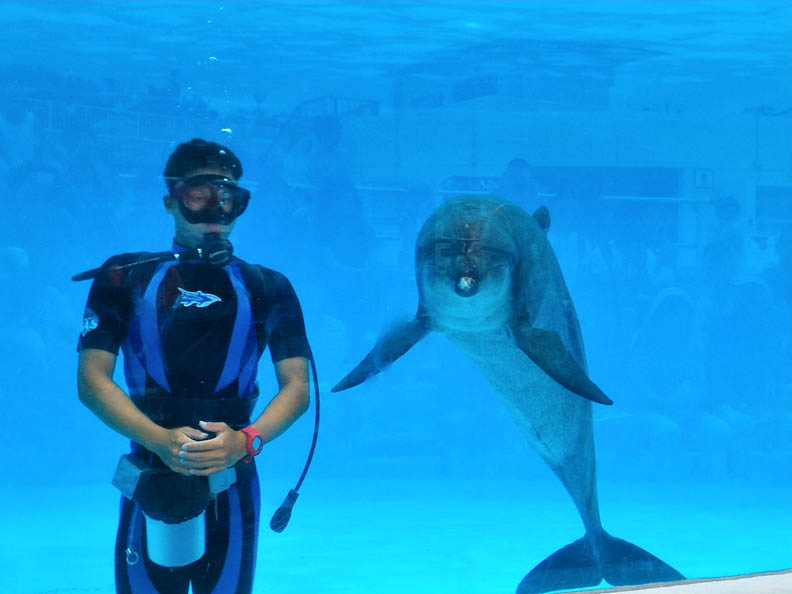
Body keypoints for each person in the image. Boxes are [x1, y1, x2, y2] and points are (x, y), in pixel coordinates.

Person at [76, 138, 313, 594]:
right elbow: (91, 381)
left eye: (227, 197)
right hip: (150, 464)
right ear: (171, 201)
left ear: (240, 204)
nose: (213, 209)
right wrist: (161, 441)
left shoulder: (268, 285)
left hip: (232, 467)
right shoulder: (124, 276)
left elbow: (297, 388)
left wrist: (245, 441)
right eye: (197, 195)